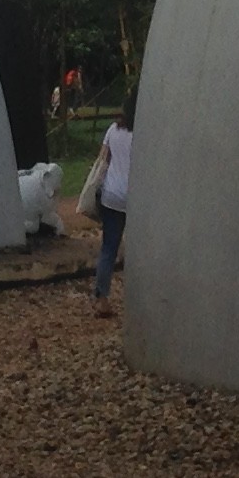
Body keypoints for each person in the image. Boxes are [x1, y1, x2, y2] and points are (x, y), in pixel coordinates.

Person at [78, 96, 136, 318]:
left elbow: (103, 159)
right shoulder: (144, 134)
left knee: (108, 248)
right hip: (135, 198)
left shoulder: (113, 130)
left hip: (111, 195)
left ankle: (101, 298)